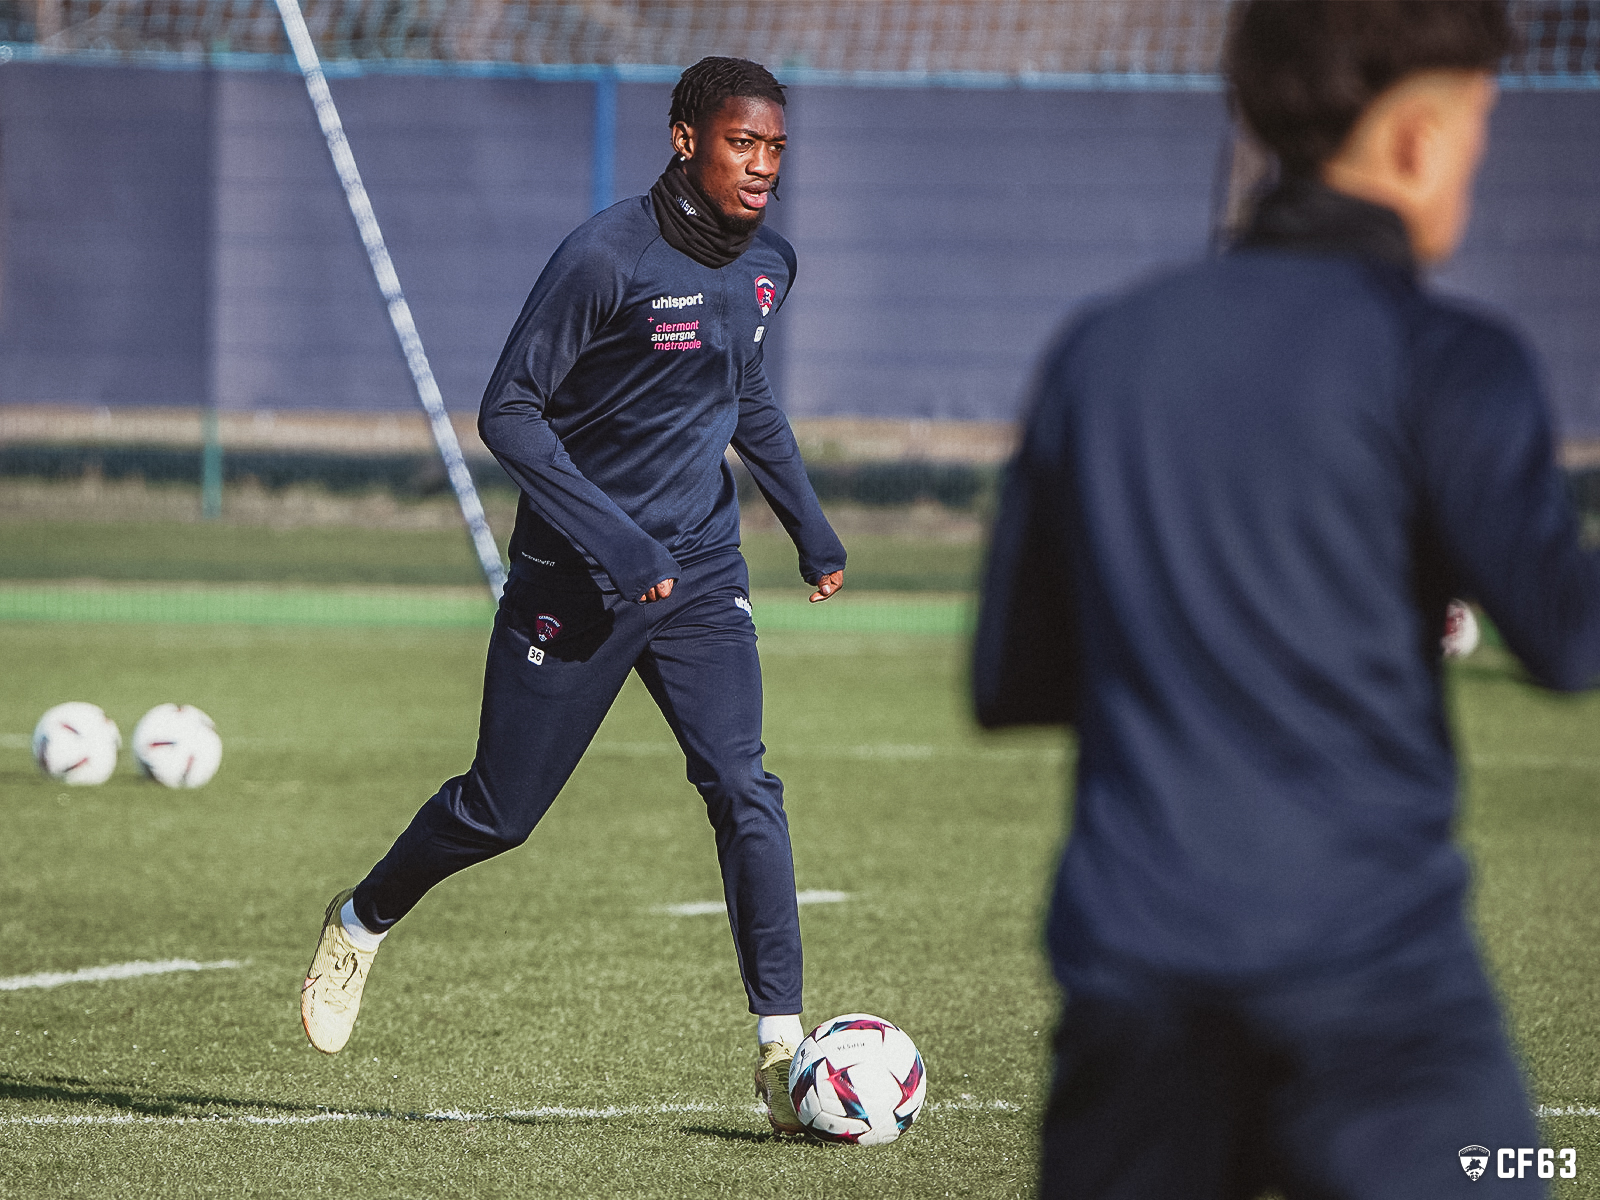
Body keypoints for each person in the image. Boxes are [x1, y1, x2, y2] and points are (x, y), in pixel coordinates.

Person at [974, 3, 1594, 1195]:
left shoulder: (1103, 351)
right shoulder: (1447, 358)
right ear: (1417, 138)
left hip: (1133, 991)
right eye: (1477, 126)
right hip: (1379, 1004)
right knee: (1513, 1167)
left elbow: (1013, 680)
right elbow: (1566, 637)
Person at [299, 56, 845, 1136]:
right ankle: (361, 920)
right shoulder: (604, 258)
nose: (762, 167)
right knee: (500, 814)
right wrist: (614, 536)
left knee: (743, 785)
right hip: (576, 579)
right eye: (742, 142)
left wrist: (810, 529)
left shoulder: (771, 264)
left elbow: (743, 396)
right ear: (685, 137)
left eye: (775, 149)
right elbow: (510, 412)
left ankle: (782, 1054)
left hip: (697, 573)